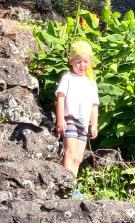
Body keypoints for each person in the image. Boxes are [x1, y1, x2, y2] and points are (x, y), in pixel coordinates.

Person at [55, 39, 99, 197]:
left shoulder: (91, 83)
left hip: (84, 124)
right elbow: (60, 98)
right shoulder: (68, 77)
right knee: (70, 153)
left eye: (86, 61)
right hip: (70, 120)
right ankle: (66, 186)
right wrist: (60, 119)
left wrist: (94, 124)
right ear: (71, 61)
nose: (82, 65)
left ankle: (72, 186)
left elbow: (94, 105)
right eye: (78, 61)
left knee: (79, 157)